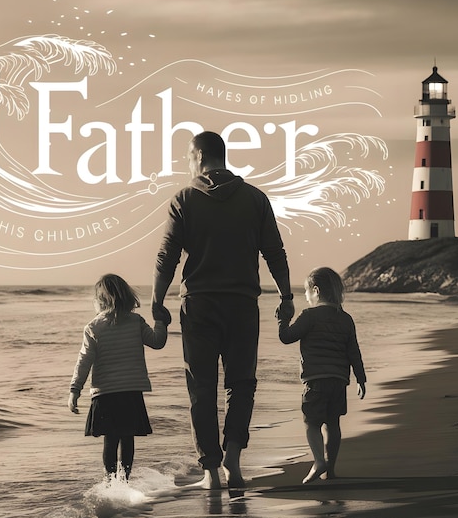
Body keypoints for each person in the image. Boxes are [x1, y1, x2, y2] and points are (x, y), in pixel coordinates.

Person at [152, 131, 293, 490]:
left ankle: (211, 471)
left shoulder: (183, 199)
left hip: (199, 305)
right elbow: (274, 253)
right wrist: (286, 296)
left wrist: (156, 301)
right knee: (241, 384)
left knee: (201, 389)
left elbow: (167, 256)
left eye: (188, 157)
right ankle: (232, 456)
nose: (188, 164)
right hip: (243, 304)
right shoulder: (255, 199)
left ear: (199, 156)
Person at [69, 274, 168, 481]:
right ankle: (124, 481)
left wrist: (74, 390)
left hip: (105, 394)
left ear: (101, 300)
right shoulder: (135, 321)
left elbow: (84, 361)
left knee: (110, 440)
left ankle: (110, 483)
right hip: (130, 392)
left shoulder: (93, 327)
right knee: (127, 439)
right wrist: (161, 321)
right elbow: (157, 342)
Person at [277, 267, 366, 484]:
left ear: (315, 291)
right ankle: (330, 469)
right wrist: (360, 378)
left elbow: (287, 337)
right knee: (332, 424)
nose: (306, 297)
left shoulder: (309, 316)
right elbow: (354, 351)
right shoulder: (345, 319)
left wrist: (282, 319)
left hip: (315, 381)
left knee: (312, 423)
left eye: (306, 292)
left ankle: (318, 461)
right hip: (338, 382)